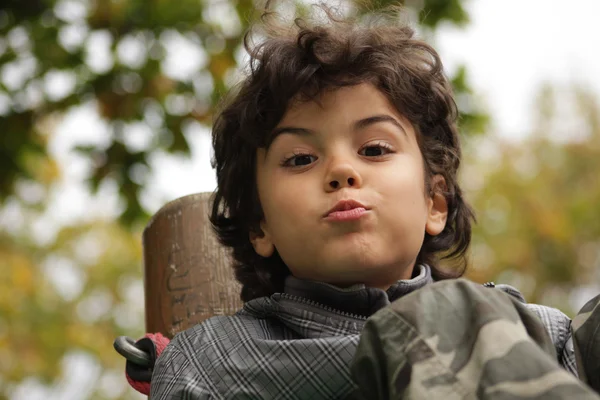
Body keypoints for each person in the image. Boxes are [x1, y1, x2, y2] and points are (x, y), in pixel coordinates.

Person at [149, 4, 600, 399]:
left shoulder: (540, 333)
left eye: (375, 149)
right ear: (259, 225)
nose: (343, 171)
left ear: (434, 203)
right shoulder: (209, 362)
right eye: (301, 158)